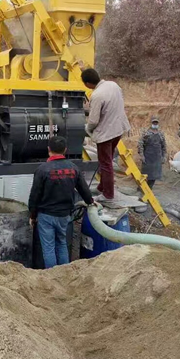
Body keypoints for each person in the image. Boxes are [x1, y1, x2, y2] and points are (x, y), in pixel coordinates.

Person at [28, 136, 96, 268]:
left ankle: (52, 275)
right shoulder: (73, 168)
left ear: (48, 149)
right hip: (64, 215)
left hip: (46, 216)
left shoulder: (42, 169)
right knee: (62, 244)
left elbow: (35, 195)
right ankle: (65, 272)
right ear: (65, 150)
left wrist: (32, 215)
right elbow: (84, 189)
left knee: (48, 248)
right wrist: (90, 201)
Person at [82, 68, 131, 202]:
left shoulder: (97, 95)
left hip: (106, 134)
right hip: (118, 129)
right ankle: (102, 187)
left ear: (87, 83)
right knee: (107, 161)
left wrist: (87, 129)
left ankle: (108, 194)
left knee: (105, 163)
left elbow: (93, 121)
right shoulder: (113, 85)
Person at [138, 116, 167, 189]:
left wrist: (164, 156)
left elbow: (164, 146)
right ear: (151, 123)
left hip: (157, 158)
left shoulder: (161, 134)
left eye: (156, 122)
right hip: (147, 157)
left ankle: (149, 188)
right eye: (154, 122)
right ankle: (141, 188)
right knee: (145, 174)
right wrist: (142, 155)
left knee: (154, 175)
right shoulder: (146, 133)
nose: (155, 124)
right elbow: (140, 144)